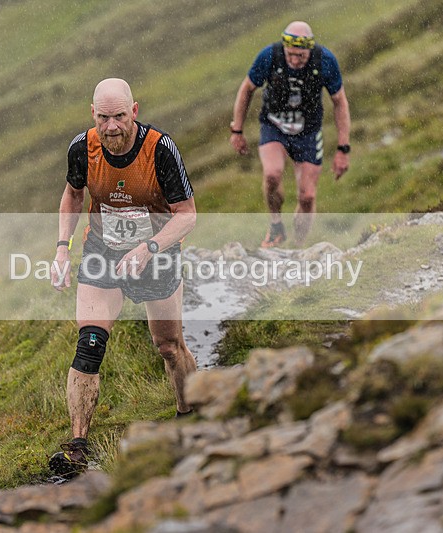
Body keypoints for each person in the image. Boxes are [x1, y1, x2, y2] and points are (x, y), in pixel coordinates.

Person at [49, 78, 198, 478]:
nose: (111, 126)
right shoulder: (82, 148)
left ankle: (189, 416)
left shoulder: (160, 150)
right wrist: (62, 247)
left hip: (156, 252)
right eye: (103, 117)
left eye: (118, 116)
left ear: (134, 111)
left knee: (168, 345)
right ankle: (77, 447)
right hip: (102, 252)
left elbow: (187, 215)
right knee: (89, 345)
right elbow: (73, 194)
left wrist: (149, 248)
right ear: (92, 114)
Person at [230, 21, 351, 247]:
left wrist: (343, 148)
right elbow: (246, 89)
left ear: (310, 50)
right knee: (273, 174)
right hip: (274, 126)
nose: (295, 61)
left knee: (307, 197)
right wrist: (237, 129)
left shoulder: (325, 61)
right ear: (284, 48)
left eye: (301, 56)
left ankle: (298, 247)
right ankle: (276, 225)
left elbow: (340, 102)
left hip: (308, 133)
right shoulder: (269, 56)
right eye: (291, 55)